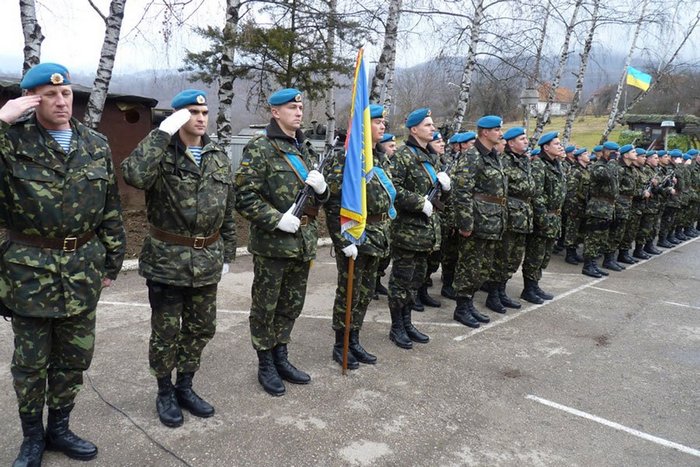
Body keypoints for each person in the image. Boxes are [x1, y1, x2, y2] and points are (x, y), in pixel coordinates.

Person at [0, 62, 126, 465]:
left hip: (83, 268)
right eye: (50, 94)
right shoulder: (12, 141)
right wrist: (0, 120)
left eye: (66, 93)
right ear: (31, 100)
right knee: (31, 363)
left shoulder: (95, 144)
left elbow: (110, 208)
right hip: (28, 272)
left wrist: (112, 262)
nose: (60, 101)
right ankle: (32, 438)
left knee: (74, 358)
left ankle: (60, 428)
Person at [121, 89, 236, 427]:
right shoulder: (161, 154)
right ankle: (164, 391)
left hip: (207, 261)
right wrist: (161, 133)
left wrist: (227, 252)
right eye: (192, 112)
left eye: (204, 112)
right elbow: (134, 175)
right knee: (166, 333)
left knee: (201, 329)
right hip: (167, 261)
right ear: (178, 116)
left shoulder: (217, 155)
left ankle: (185, 385)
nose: (200, 118)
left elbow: (227, 209)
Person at [235, 88, 329, 396]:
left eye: (301, 106)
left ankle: (281, 356)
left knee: (291, 305)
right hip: (274, 244)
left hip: (303, 241)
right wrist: (276, 219)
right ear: (275, 112)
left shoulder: (305, 148)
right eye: (291, 107)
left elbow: (317, 198)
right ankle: (265, 363)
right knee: (266, 306)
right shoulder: (260, 148)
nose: (299, 112)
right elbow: (244, 197)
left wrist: (324, 191)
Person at [324, 104, 394, 368]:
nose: (382, 126)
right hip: (355, 234)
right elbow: (332, 203)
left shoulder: (380, 156)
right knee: (349, 293)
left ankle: (354, 340)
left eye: (383, 122)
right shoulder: (346, 157)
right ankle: (340, 345)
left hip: (376, 233)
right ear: (363, 126)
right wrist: (343, 241)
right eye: (377, 122)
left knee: (364, 293)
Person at [387, 108, 449, 349]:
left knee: (416, 280)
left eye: (432, 125)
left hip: (426, 232)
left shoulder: (432, 157)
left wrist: (447, 189)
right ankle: (396, 327)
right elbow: (393, 189)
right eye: (428, 125)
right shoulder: (402, 156)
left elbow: (440, 198)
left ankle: (408, 322)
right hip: (407, 231)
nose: (433, 129)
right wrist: (419, 201)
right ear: (414, 130)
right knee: (401, 282)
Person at [451, 115, 507, 328]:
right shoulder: (472, 156)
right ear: (485, 132)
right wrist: (465, 223)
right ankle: (461, 308)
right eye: (497, 130)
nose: (500, 134)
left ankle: (470, 303)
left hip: (492, 221)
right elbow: (462, 192)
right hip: (477, 221)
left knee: (483, 267)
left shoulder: (493, 156)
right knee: (469, 266)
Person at [488, 127, 537, 312]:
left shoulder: (524, 161)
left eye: (526, 138)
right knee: (502, 257)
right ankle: (493, 295)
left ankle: (502, 291)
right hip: (509, 215)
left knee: (514, 258)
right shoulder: (504, 161)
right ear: (511, 143)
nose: (526, 141)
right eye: (522, 139)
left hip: (523, 215)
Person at [520, 131, 566, 302]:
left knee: (545, 255)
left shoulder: (556, 164)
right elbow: (537, 194)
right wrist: (542, 218)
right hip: (544, 217)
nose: (560, 146)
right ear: (546, 147)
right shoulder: (539, 165)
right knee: (535, 255)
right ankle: (528, 289)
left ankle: (535, 284)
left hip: (554, 216)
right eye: (556, 144)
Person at [581, 141, 620, 278]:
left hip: (608, 207)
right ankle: (588, 265)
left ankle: (594, 264)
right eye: (612, 152)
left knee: (601, 238)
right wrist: (613, 161)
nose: (615, 155)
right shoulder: (598, 166)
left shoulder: (610, 166)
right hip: (597, 207)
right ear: (605, 152)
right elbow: (606, 175)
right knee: (593, 237)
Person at [374, 132, 397, 298]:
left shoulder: (384, 162)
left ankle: (377, 282)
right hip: (370, 223)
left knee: (384, 257)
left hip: (387, 221)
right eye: (391, 146)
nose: (394, 149)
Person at [563, 148, 590, 265]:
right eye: (585, 154)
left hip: (584, 205)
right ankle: (569, 254)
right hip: (576, 206)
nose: (588, 155)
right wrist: (572, 208)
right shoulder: (575, 171)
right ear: (579, 157)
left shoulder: (587, 170)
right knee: (572, 230)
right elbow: (571, 191)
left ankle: (574, 252)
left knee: (580, 231)